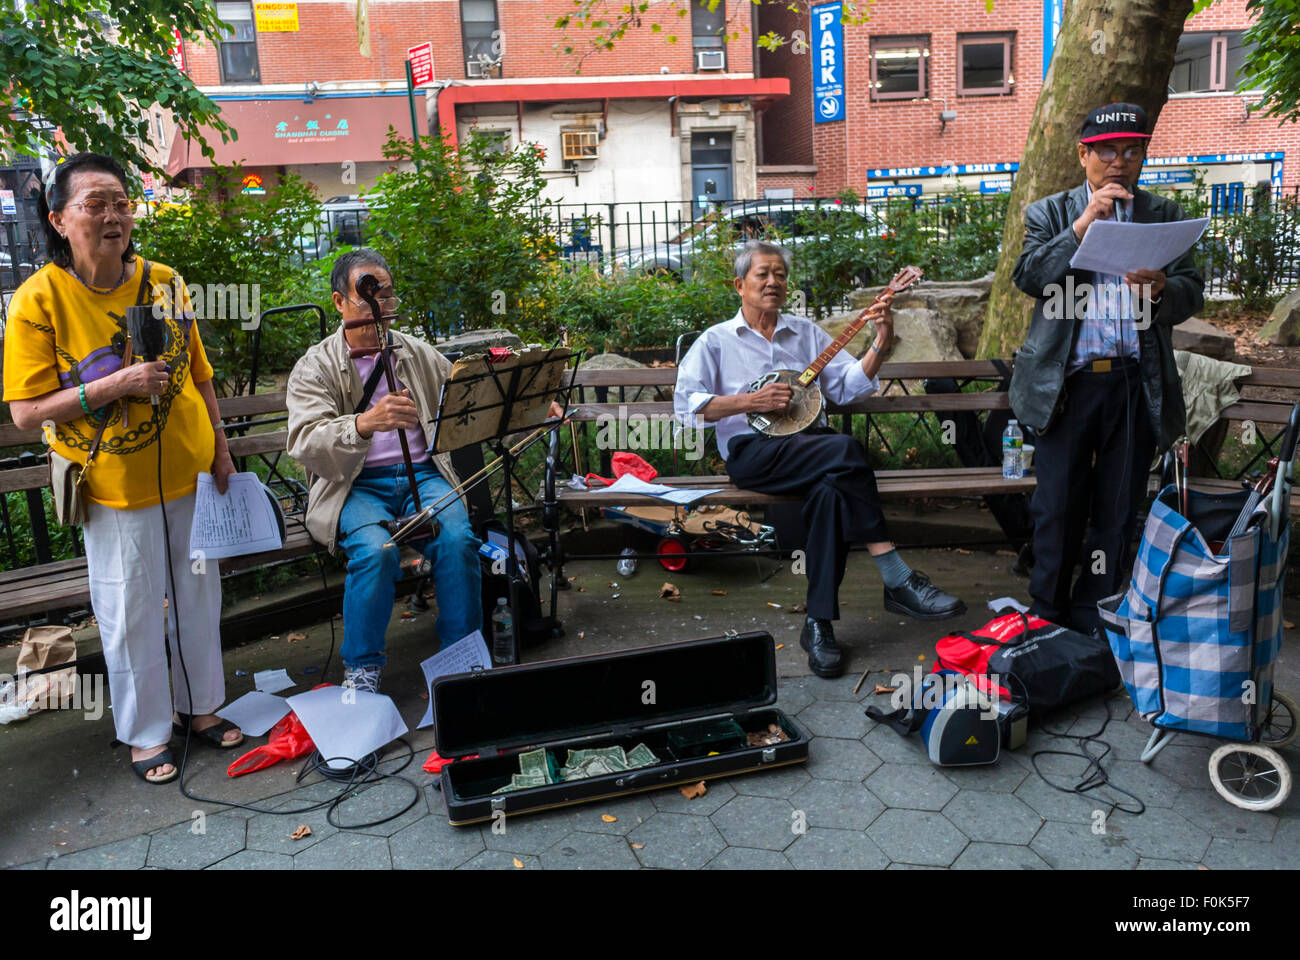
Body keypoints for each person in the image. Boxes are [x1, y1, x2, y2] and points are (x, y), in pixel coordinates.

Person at [3, 152, 242, 784]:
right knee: (131, 611)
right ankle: (145, 732)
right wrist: (114, 386)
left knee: (198, 597)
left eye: (121, 203)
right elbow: (26, 413)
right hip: (112, 489)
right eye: (95, 204)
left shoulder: (164, 281)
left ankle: (200, 707)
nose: (113, 216)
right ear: (58, 218)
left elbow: (200, 373)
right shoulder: (37, 299)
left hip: (191, 470)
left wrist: (221, 447)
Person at [674, 240, 965, 679]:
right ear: (739, 285)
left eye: (780, 275)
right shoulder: (716, 341)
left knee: (831, 492)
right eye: (762, 274)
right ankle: (896, 576)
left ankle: (819, 624)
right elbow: (687, 407)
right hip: (754, 453)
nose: (773, 282)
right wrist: (750, 401)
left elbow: (848, 385)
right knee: (845, 450)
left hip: (814, 449)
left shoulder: (804, 333)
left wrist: (881, 341)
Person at [1009, 102, 1204, 633]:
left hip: (1135, 381)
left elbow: (1192, 291)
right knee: (1058, 506)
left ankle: (1093, 612)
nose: (1119, 162)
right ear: (1083, 155)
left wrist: (1162, 290)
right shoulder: (1051, 212)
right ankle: (1046, 613)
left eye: (1131, 152)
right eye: (1107, 152)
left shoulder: (1162, 213)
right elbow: (1030, 277)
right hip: (1067, 384)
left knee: (1117, 508)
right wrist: (1081, 228)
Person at [286, 249, 483, 693]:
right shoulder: (315, 366)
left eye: (388, 295)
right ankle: (363, 667)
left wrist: (532, 405)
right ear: (339, 302)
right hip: (354, 486)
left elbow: (467, 395)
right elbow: (305, 442)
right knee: (376, 552)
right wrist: (363, 423)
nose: (381, 307)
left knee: (457, 538)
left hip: (422, 477)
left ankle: (462, 658)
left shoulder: (414, 353)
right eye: (368, 295)